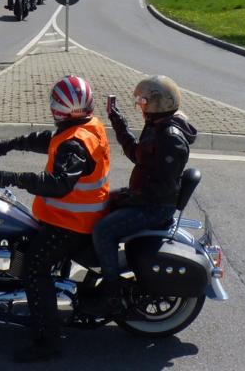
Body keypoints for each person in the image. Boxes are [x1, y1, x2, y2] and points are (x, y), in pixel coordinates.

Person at [0, 75, 111, 362]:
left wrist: (8, 177)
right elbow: (48, 141)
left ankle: (48, 342)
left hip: (72, 224)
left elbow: (58, 184)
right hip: (67, 217)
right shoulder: (83, 127)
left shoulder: (76, 143)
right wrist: (5, 145)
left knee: (34, 268)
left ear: (60, 110)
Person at [80, 76, 197, 318]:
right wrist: (117, 121)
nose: (140, 106)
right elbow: (137, 154)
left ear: (158, 102)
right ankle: (96, 267)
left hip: (154, 208)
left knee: (103, 230)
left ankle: (111, 295)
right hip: (146, 198)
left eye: (143, 101)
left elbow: (160, 190)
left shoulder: (170, 138)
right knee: (97, 204)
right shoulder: (158, 126)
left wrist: (128, 198)